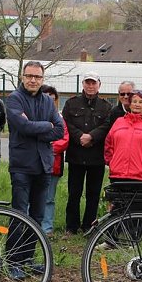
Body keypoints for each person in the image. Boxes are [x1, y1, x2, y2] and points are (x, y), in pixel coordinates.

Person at [5, 61, 64, 276]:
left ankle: (28, 258)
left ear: (42, 79)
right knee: (20, 215)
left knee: (37, 217)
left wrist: (39, 127)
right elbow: (22, 126)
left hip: (44, 165)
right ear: (22, 77)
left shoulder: (48, 102)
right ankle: (12, 261)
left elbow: (59, 130)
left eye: (37, 77)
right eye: (29, 76)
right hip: (22, 166)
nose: (33, 80)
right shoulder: (14, 99)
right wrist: (45, 125)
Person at [62, 72, 112, 234]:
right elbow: (66, 123)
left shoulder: (106, 106)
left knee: (93, 194)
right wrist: (80, 137)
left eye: (93, 83)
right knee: (74, 193)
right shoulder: (71, 103)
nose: (90, 86)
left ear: (99, 85)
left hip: (96, 156)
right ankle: (71, 226)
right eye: (87, 83)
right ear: (83, 84)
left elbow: (107, 126)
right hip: (76, 154)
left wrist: (91, 136)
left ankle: (89, 226)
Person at [40, 85, 68, 234]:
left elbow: (64, 139)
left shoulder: (60, 118)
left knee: (49, 198)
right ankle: (32, 225)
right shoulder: (34, 116)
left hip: (54, 165)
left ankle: (47, 227)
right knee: (34, 196)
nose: (49, 102)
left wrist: (48, 147)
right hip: (36, 163)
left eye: (52, 99)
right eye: (46, 98)